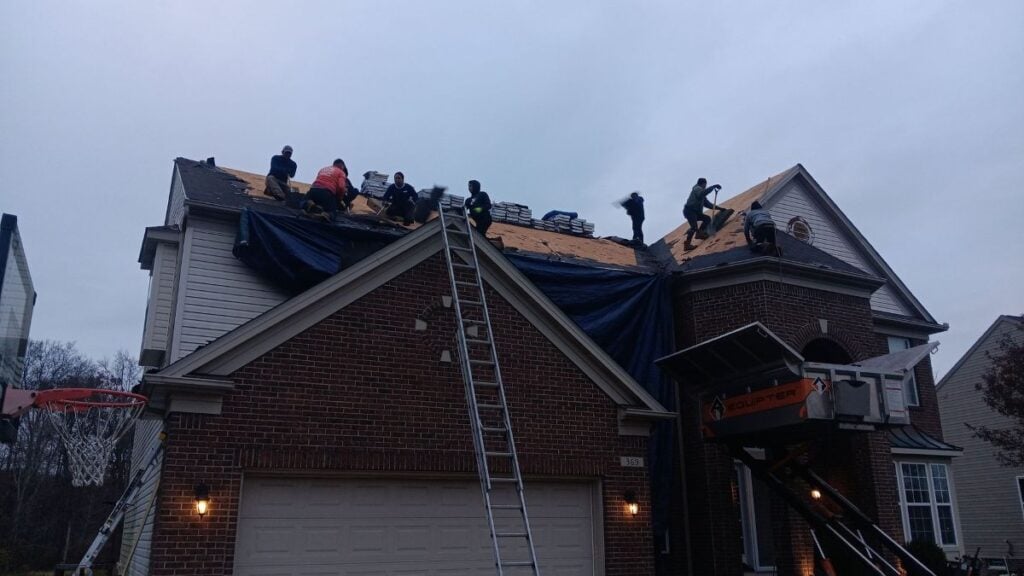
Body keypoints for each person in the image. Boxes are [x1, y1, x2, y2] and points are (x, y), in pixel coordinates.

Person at [683, 177, 723, 250]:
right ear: (703, 184)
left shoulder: (701, 194)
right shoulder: (697, 189)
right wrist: (713, 186)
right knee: (694, 227)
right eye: (705, 185)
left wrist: (720, 208)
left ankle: (699, 233)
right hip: (690, 211)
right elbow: (702, 193)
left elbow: (708, 205)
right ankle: (687, 245)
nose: (705, 186)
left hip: (695, 212)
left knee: (707, 218)